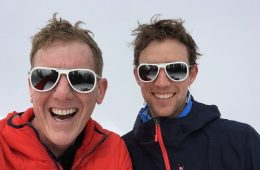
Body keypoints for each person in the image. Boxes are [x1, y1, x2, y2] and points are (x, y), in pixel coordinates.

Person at [122, 16, 260, 170]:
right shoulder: (121, 154)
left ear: (192, 74)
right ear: (137, 76)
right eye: (149, 70)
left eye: (175, 70)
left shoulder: (243, 143)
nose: (162, 83)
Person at [0, 14, 132, 170]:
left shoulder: (114, 151)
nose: (62, 94)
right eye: (46, 77)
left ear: (100, 90)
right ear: (31, 88)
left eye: (80, 79)